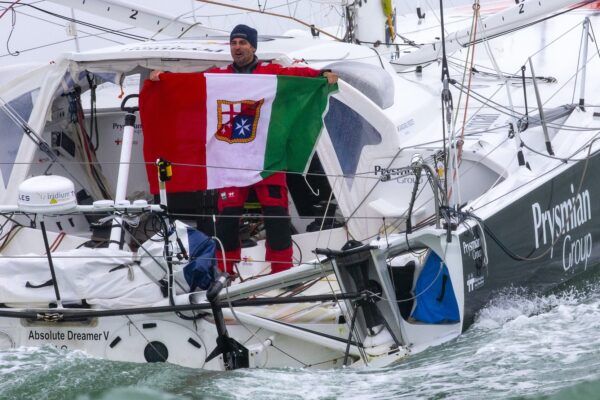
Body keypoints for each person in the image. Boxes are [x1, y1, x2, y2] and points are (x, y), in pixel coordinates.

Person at [150, 24, 337, 275]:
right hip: (231, 162)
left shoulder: (270, 73)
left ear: (253, 46)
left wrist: (321, 74)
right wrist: (164, 78)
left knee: (277, 215)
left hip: (267, 158)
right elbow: (191, 84)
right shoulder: (220, 76)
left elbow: (296, 76)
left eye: (243, 42)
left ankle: (283, 273)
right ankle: (224, 273)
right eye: (234, 43)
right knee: (227, 220)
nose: (237, 47)